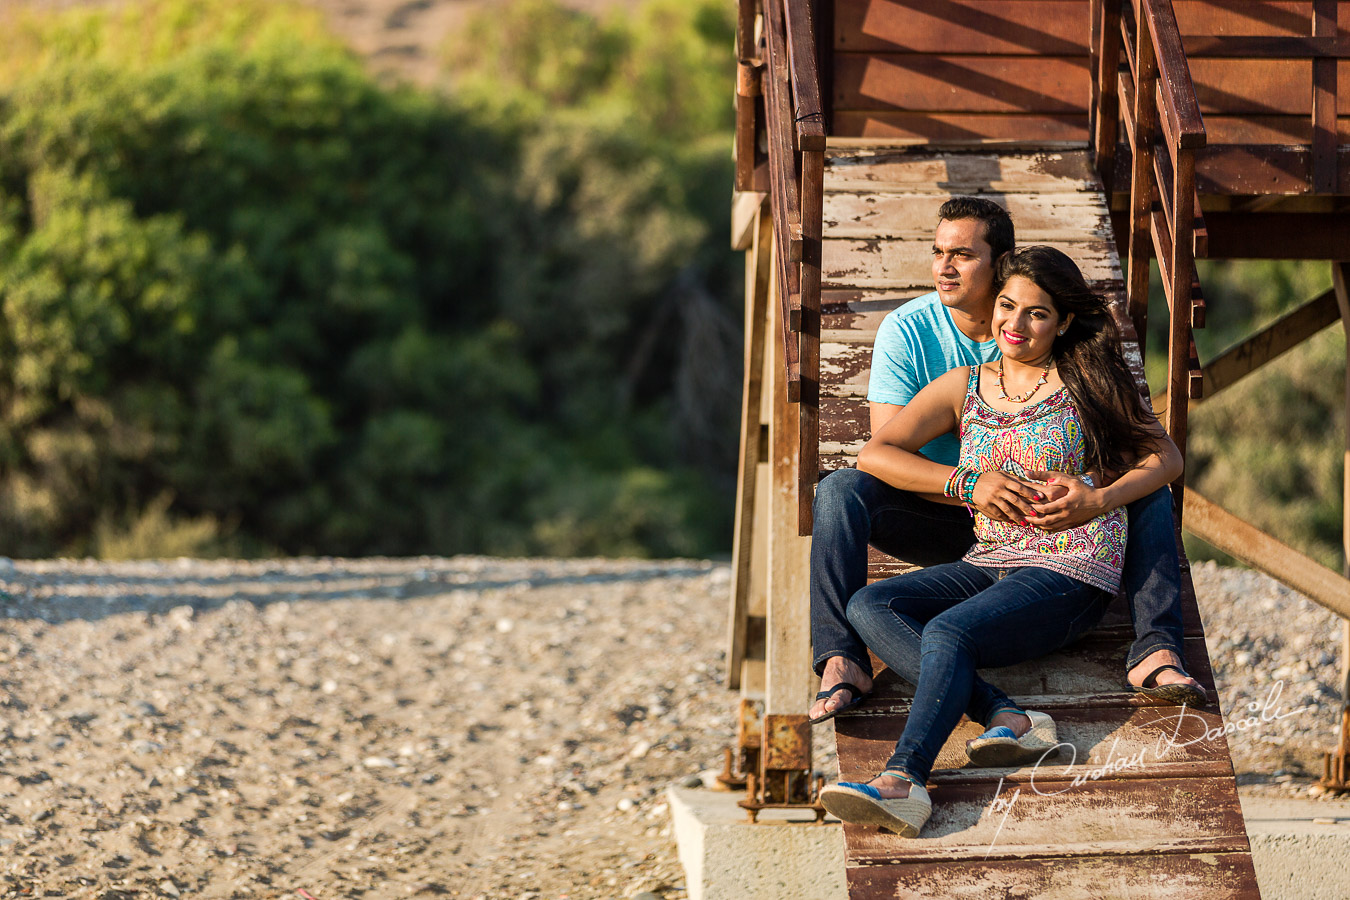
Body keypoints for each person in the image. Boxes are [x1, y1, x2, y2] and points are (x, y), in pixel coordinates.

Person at [817, 245, 1185, 835]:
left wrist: (1099, 498)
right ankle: (1004, 714)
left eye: (1036, 314)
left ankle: (903, 781)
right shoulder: (964, 384)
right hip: (990, 558)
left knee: (947, 630)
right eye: (1007, 307)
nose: (1015, 325)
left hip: (1071, 568)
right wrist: (968, 481)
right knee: (869, 605)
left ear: (1063, 321)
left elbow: (1164, 457)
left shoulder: (1087, 378)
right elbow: (874, 453)